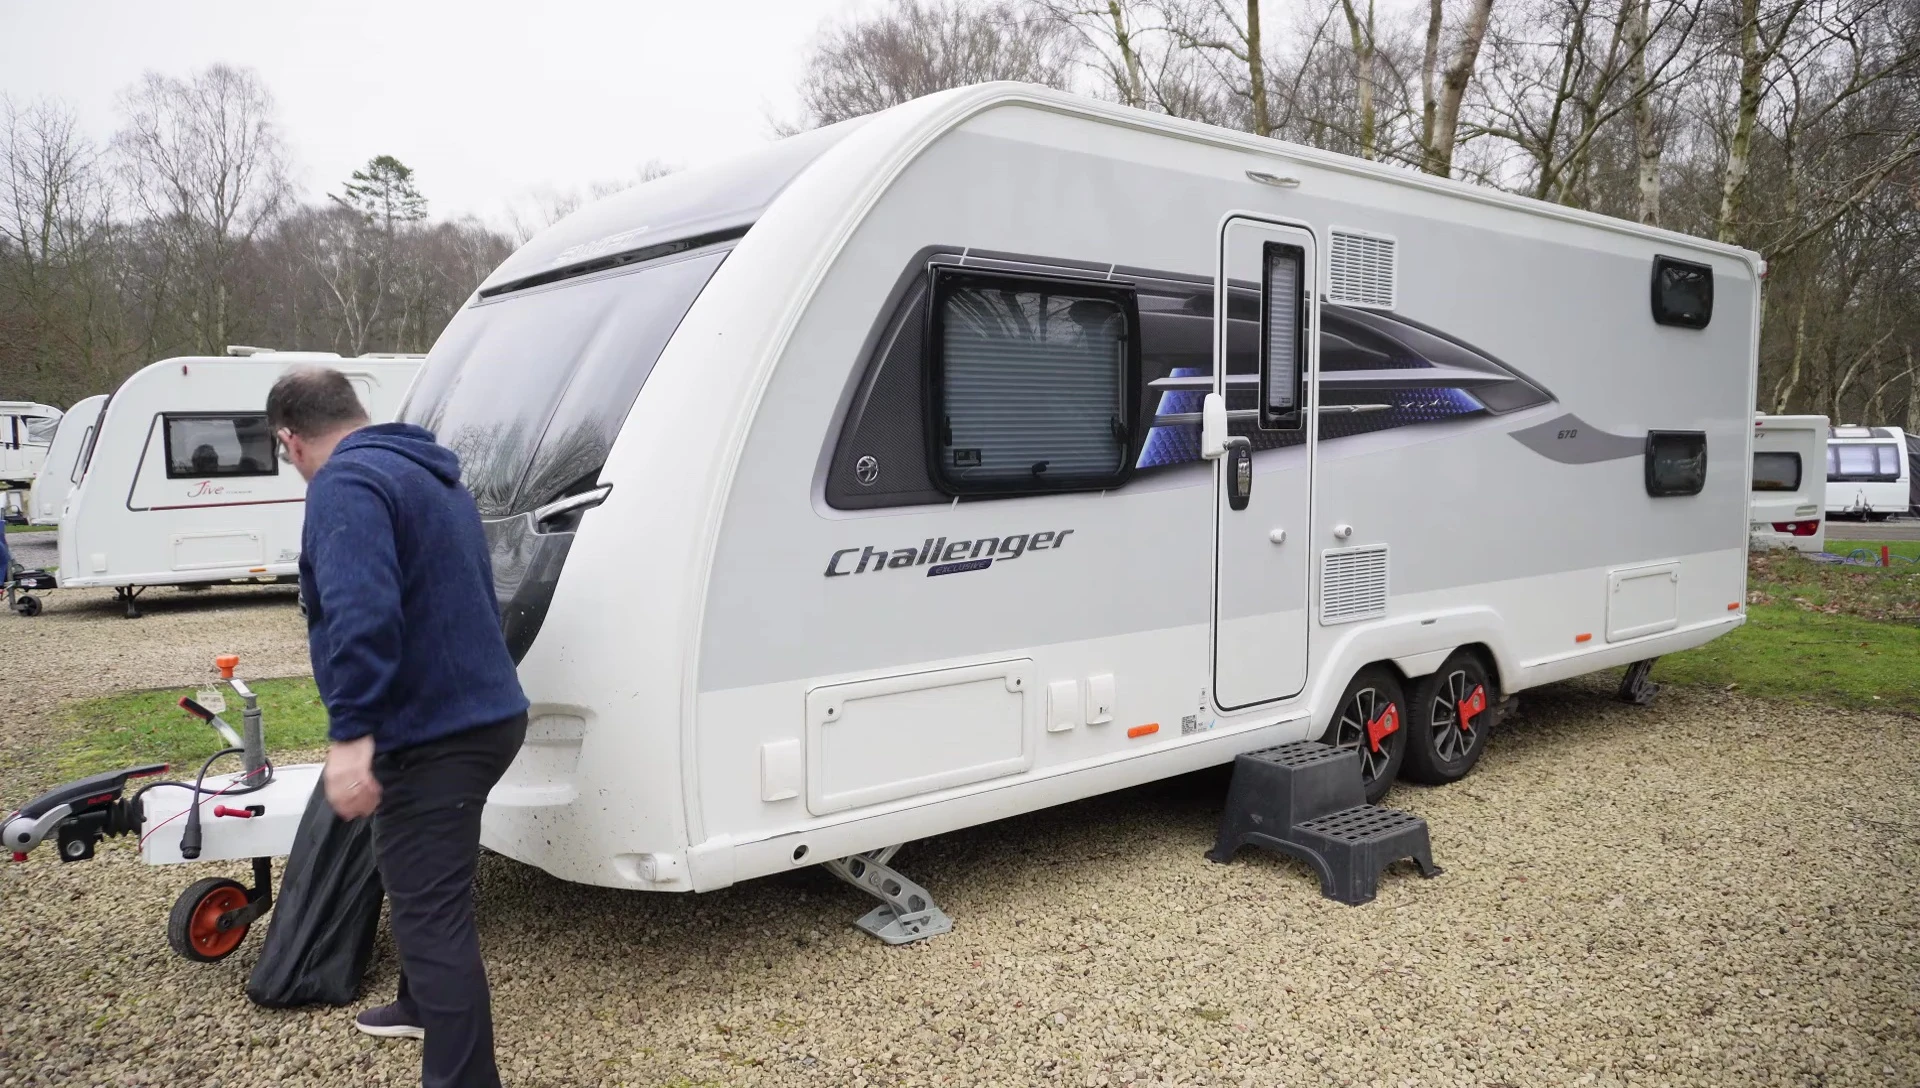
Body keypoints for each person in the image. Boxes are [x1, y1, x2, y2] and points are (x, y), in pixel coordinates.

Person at [267, 365, 528, 1088]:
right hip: (483, 713)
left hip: (436, 732)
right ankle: (417, 1003)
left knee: (432, 914)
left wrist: (350, 736)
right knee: (412, 870)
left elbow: (362, 615)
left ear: (291, 440)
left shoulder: (344, 487)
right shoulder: (425, 472)